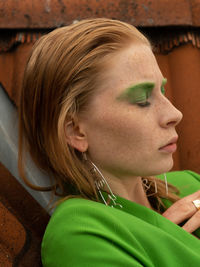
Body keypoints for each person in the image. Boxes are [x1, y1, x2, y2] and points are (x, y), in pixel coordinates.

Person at [18, 18, 200, 266]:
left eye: (163, 91)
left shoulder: (189, 185)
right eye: (142, 99)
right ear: (75, 131)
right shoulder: (80, 234)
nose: (174, 114)